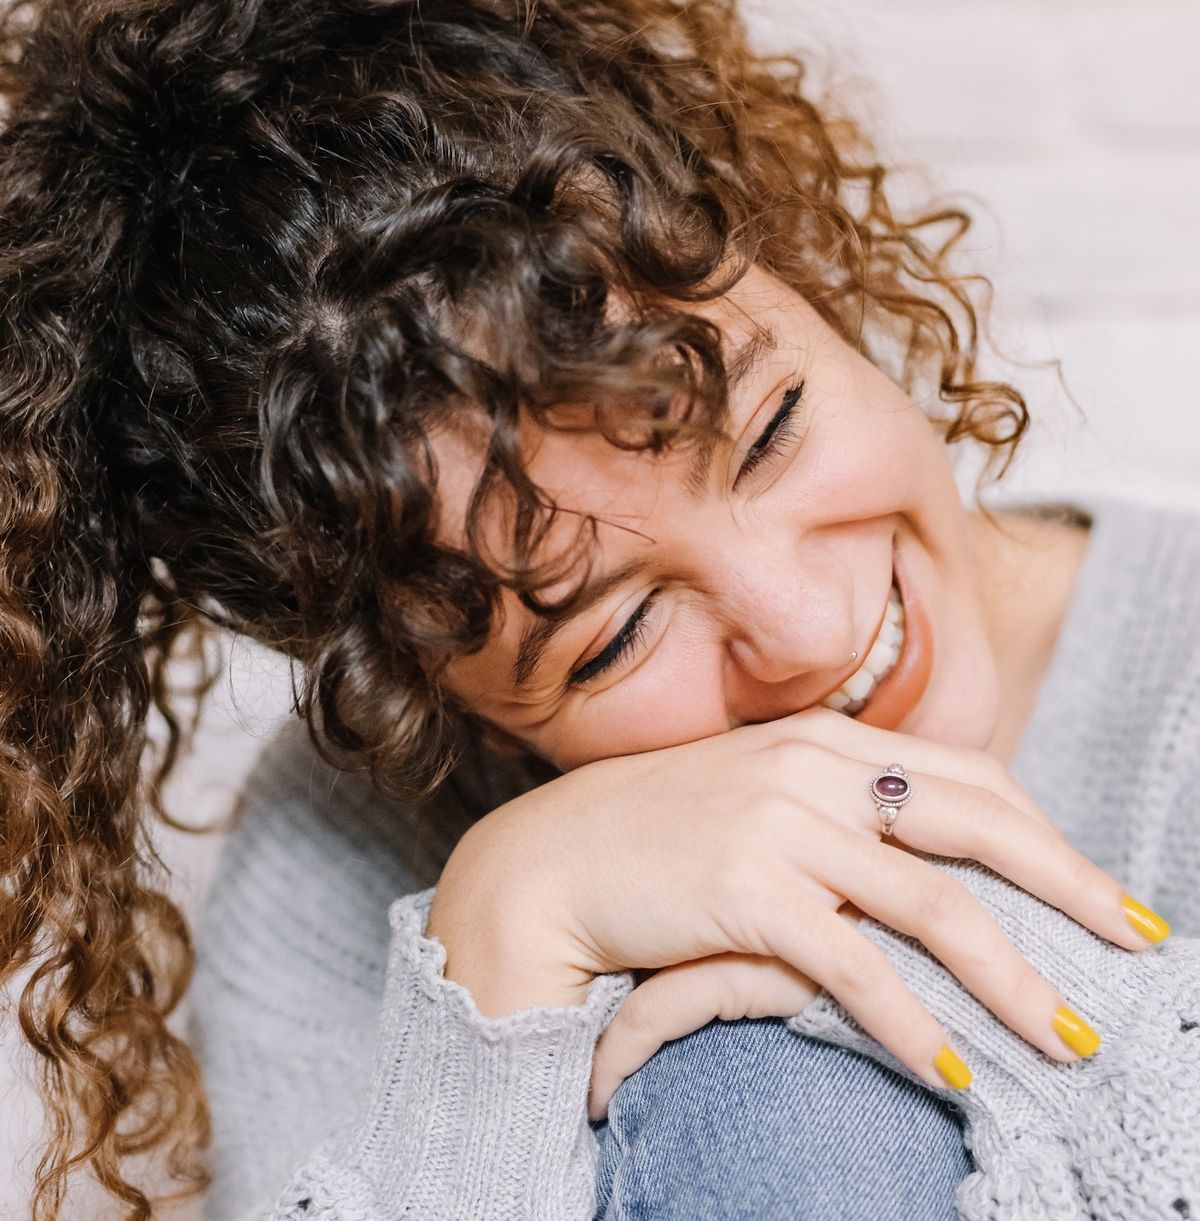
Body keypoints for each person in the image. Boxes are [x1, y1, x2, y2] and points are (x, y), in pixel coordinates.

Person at [0, 1, 1196, 1219]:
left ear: (799, 276)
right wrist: (505, 925)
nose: (807, 628)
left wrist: (977, 979)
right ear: (432, 700)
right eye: (612, 634)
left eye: (770, 431)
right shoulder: (332, 870)